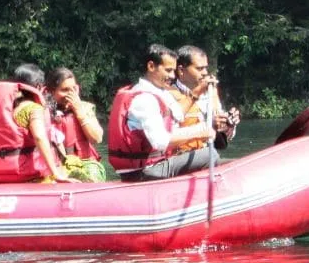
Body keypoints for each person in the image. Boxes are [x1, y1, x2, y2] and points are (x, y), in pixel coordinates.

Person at [107, 43, 217, 181]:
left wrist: (198, 90)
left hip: (153, 165)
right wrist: (200, 132)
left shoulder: (159, 91)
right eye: (168, 70)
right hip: (145, 170)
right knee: (210, 154)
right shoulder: (144, 99)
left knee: (199, 152)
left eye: (173, 70)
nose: (172, 76)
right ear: (151, 66)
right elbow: (160, 142)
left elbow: (178, 114)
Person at [0, 64, 71, 184]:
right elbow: (39, 137)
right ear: (39, 87)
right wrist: (55, 173)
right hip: (25, 175)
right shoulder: (33, 108)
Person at [171, 45, 241, 152]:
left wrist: (228, 124)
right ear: (181, 70)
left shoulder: (210, 91)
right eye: (199, 68)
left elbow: (223, 135)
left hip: (207, 155)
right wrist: (209, 125)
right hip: (179, 158)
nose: (205, 73)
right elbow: (165, 138)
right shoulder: (168, 95)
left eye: (205, 68)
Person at [46, 66, 106, 183]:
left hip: (85, 163)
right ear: (52, 91)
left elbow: (97, 138)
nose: (70, 95)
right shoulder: (42, 112)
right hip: (56, 166)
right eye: (64, 90)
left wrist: (79, 112)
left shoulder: (85, 108)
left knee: (89, 177)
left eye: (73, 89)